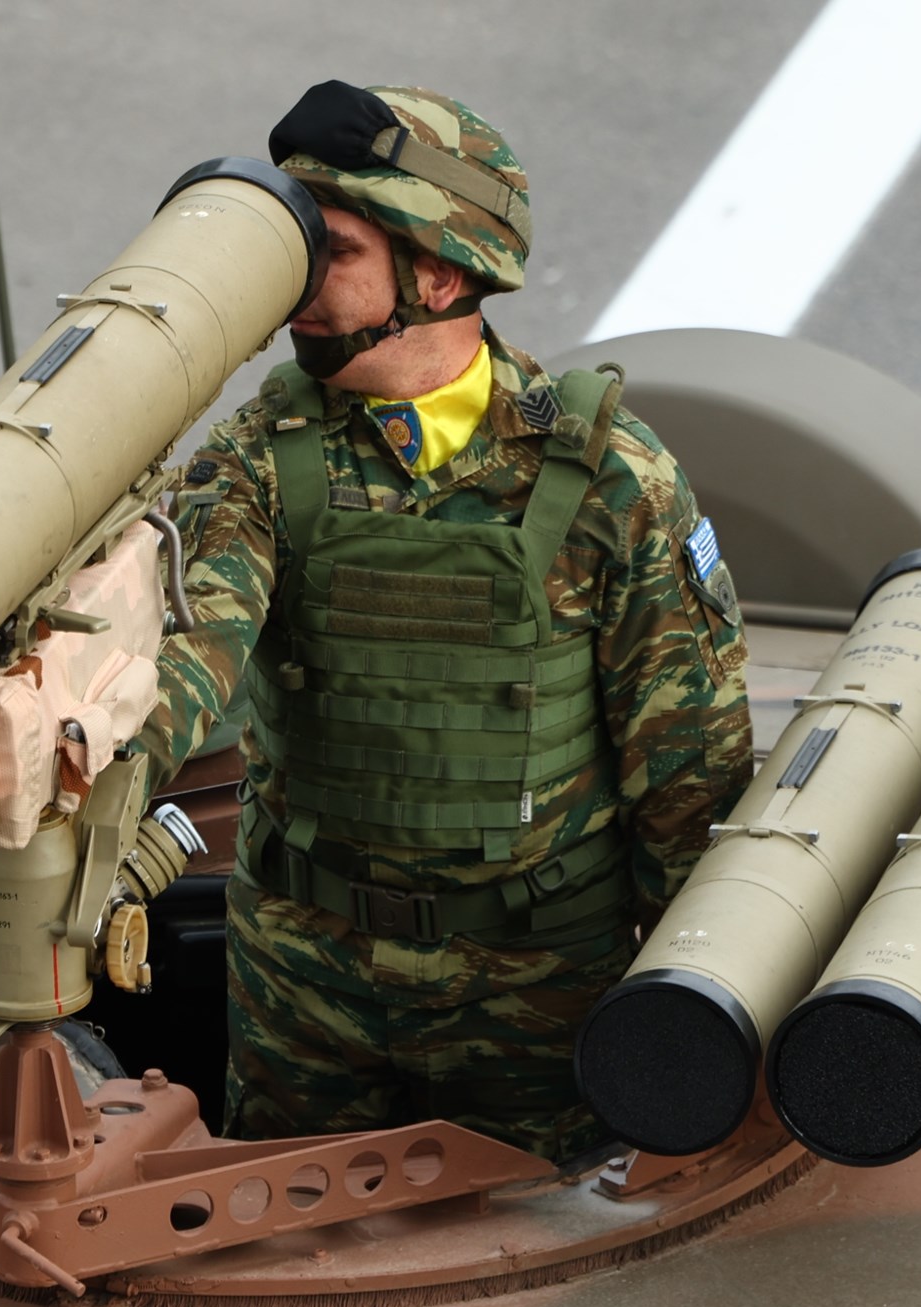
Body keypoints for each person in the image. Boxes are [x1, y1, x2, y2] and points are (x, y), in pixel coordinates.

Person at [131, 81, 751, 1161]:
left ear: (441, 272)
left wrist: (702, 1001)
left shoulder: (609, 478)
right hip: (305, 988)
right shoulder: (255, 460)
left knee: (549, 1238)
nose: (295, 290)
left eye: (332, 253)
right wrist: (88, 747)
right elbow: (190, 652)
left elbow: (687, 774)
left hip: (538, 990)